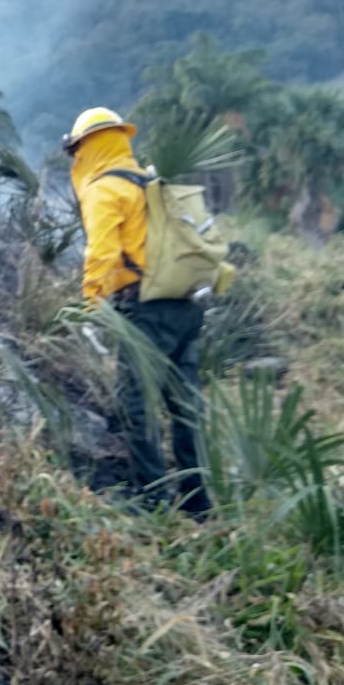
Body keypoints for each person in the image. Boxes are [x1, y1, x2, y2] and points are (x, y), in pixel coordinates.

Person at [64, 106, 211, 516]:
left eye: (77, 150)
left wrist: (91, 302)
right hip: (186, 301)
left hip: (146, 309)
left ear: (87, 147)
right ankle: (199, 501)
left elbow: (102, 252)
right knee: (186, 406)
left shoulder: (104, 189)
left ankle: (153, 501)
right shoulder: (149, 181)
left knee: (136, 403)